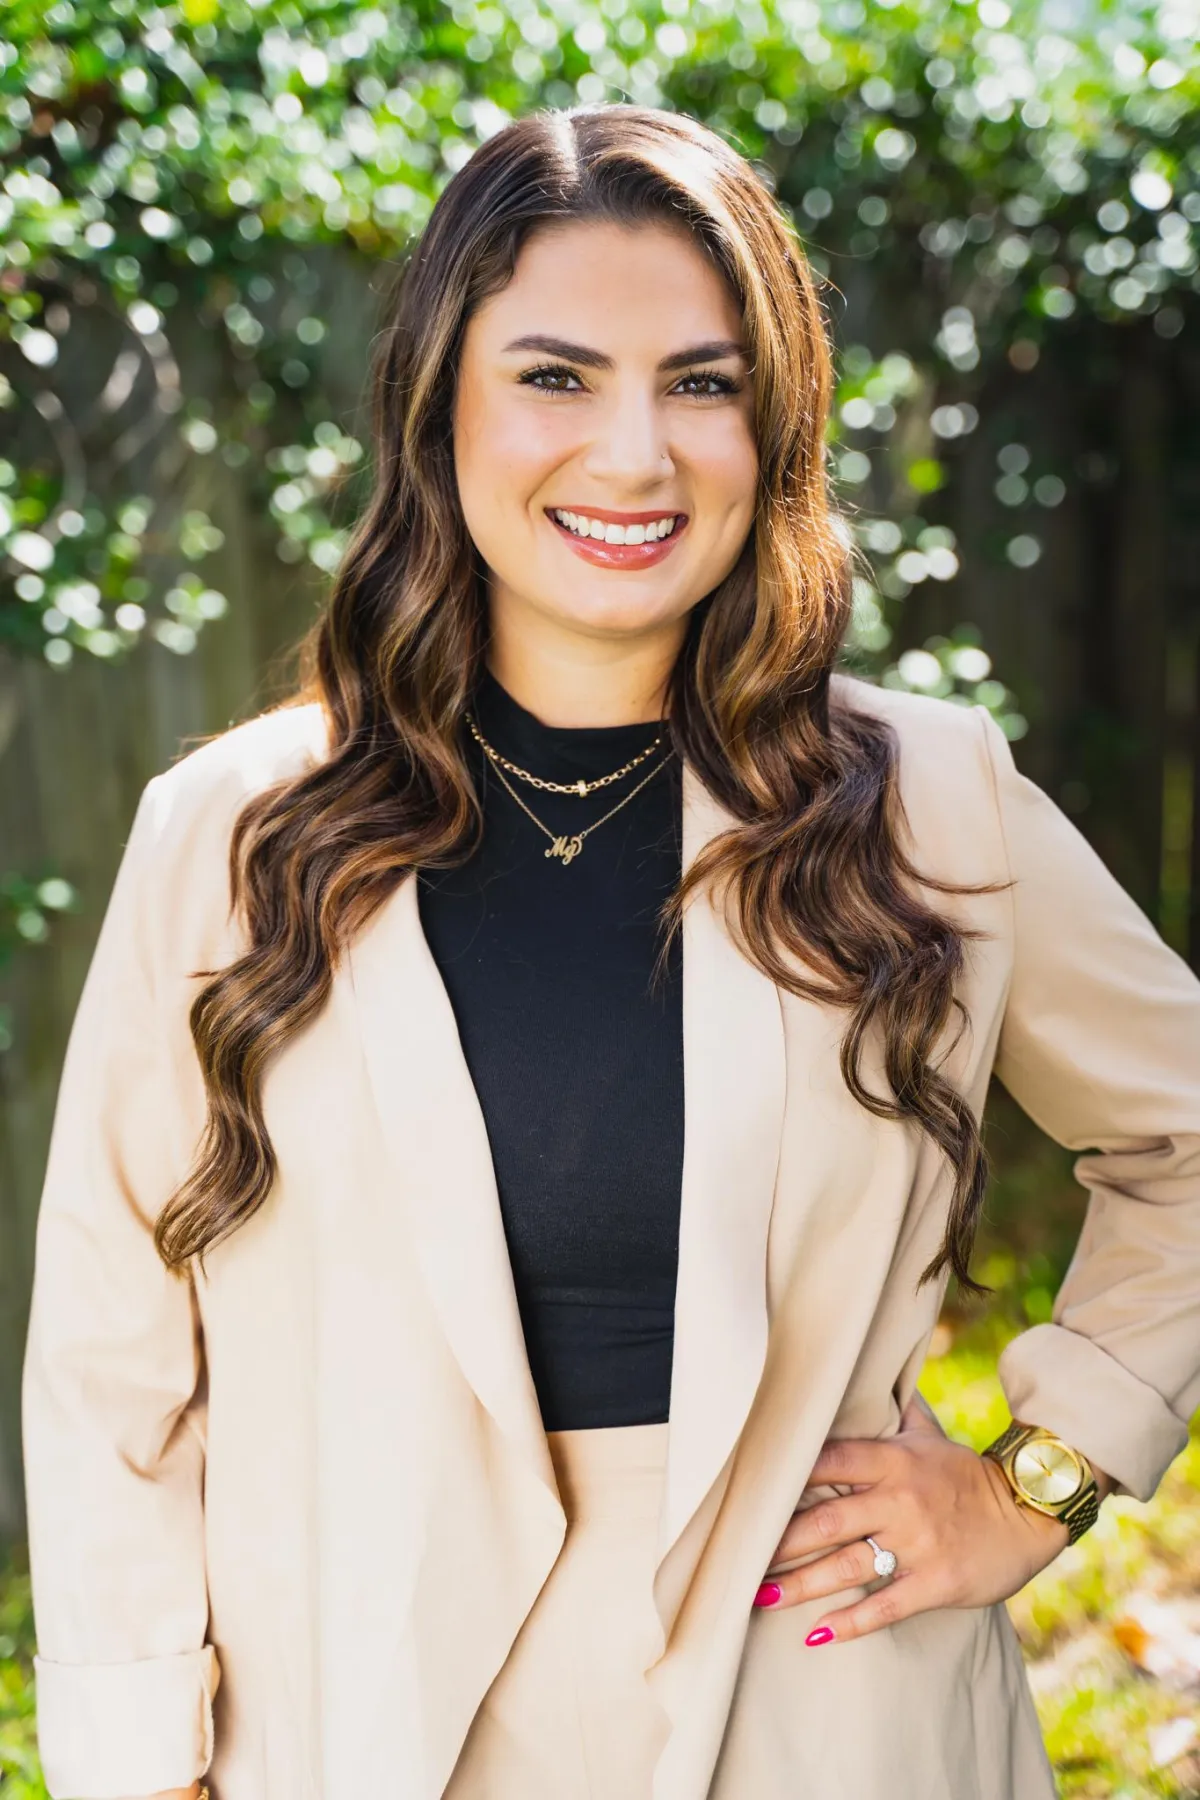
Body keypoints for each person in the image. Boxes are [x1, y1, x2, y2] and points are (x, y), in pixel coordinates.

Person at [20, 103, 1200, 1800]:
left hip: (825, 1714)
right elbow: (110, 1351)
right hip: (358, 1718)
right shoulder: (229, 835)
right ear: (441, 409)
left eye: (702, 383)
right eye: (557, 377)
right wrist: (143, 1759)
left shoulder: (932, 804)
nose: (635, 456)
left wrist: (1039, 1484)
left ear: (772, 418)